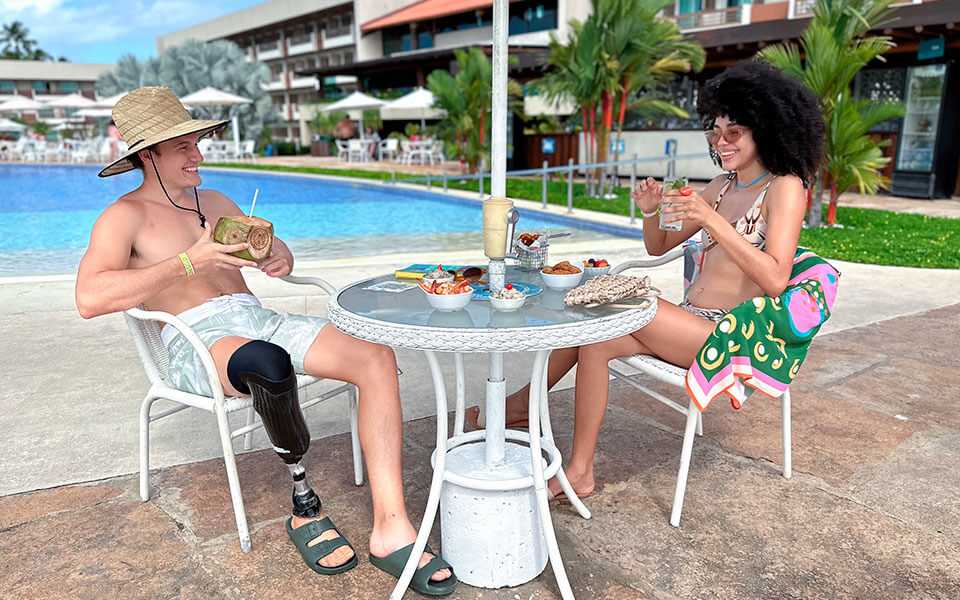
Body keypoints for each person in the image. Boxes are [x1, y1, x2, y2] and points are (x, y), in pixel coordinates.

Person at [75, 87, 456, 596]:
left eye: (197, 141)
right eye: (184, 146)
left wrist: (278, 256)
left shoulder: (214, 202)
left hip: (257, 316)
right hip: (196, 339)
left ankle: (392, 528)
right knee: (267, 362)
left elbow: (271, 251)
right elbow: (89, 297)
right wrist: (192, 260)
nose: (199, 154)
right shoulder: (124, 217)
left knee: (375, 356)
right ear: (148, 155)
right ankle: (304, 505)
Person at [468, 60, 825, 500]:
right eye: (715, 131)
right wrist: (652, 210)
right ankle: (578, 468)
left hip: (733, 336)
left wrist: (712, 221)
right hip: (693, 322)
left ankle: (519, 407)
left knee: (610, 307)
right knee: (597, 337)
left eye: (734, 131)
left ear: (765, 128)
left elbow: (775, 279)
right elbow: (658, 246)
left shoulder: (785, 187)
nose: (721, 141)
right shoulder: (723, 185)